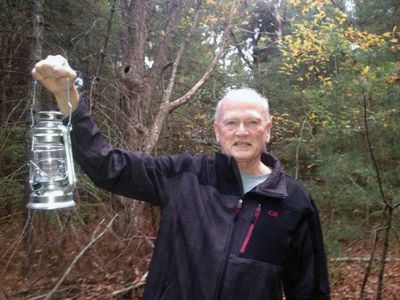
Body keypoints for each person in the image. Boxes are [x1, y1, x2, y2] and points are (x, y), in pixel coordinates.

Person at [32, 55, 330, 300]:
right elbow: (109, 166)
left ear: (268, 129)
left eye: (252, 122)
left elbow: (310, 289)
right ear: (217, 130)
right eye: (232, 123)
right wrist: (68, 98)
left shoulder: (293, 201)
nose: (242, 132)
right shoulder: (185, 176)